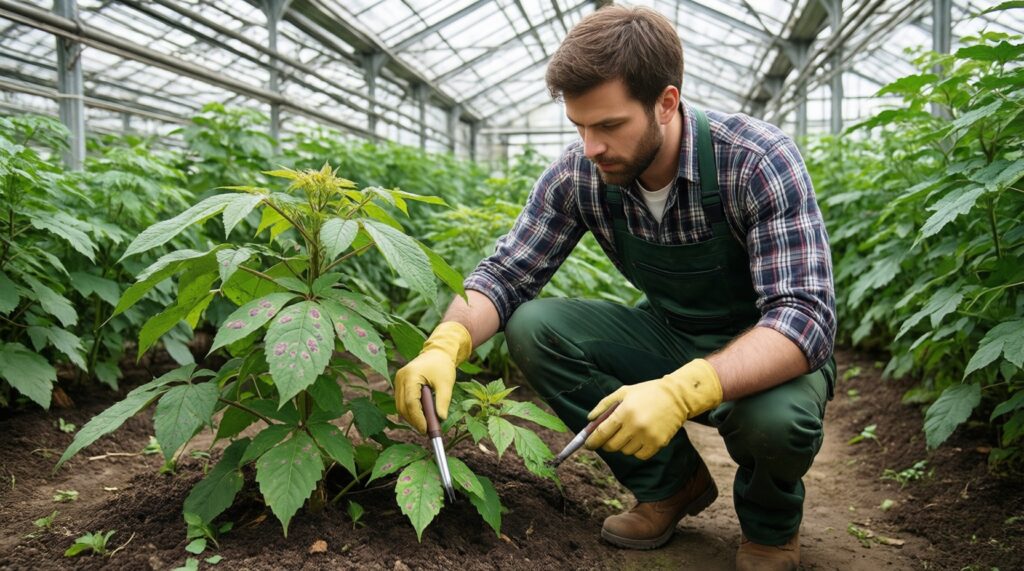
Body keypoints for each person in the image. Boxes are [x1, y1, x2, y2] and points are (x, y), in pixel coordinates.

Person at [395, 5, 836, 570]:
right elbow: (506, 275)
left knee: (774, 423)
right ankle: (671, 486)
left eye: (608, 126)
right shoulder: (582, 175)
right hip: (671, 333)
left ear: (666, 103)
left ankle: (771, 528)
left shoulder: (755, 161)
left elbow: (806, 316)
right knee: (534, 326)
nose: (591, 147)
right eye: (579, 126)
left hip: (770, 353)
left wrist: (681, 392)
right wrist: (446, 342)